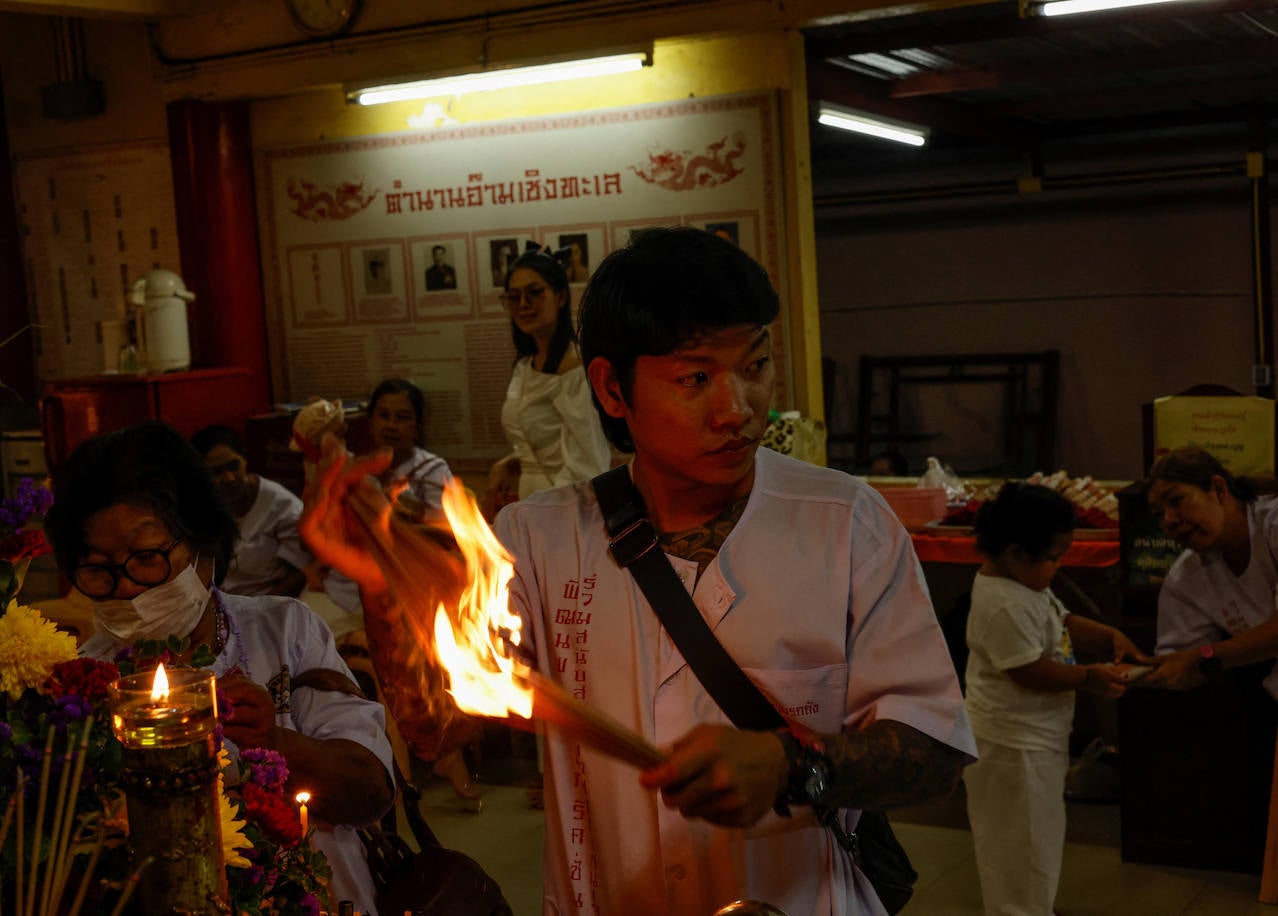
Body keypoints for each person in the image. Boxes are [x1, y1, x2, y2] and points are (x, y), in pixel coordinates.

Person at [332, 227, 977, 914]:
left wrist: (798, 766)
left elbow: (935, 750)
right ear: (612, 389)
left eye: (755, 365)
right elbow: (439, 729)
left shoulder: (846, 523)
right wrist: (380, 565)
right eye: (697, 378)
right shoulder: (539, 537)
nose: (739, 408)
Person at [44, 421, 394, 912]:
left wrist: (274, 742)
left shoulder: (283, 630)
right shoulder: (85, 680)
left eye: (146, 558)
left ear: (205, 543)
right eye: (98, 568)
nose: (125, 588)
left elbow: (370, 794)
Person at [961, 481, 1142, 916]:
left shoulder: (1026, 585)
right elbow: (1027, 670)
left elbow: (1061, 621)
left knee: (1037, 838)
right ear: (1016, 552)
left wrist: (1109, 636)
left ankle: (1032, 905)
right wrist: (1088, 678)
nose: (1057, 568)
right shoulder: (1001, 602)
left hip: (1036, 738)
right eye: (1054, 557)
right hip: (1011, 745)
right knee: (1016, 844)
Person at [1140, 447, 1278, 697]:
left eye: (1176, 500)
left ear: (1218, 489)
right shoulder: (1185, 576)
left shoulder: (1273, 524)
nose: (1170, 520)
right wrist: (1132, 673)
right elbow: (1182, 664)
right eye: (1159, 515)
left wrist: (1204, 656)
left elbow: (1198, 658)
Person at [486, 246, 611, 510]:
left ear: (561, 297)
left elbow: (589, 465)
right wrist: (509, 462)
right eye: (513, 296)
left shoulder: (575, 370)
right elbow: (545, 442)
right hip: (532, 503)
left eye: (534, 292)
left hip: (566, 508)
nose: (523, 304)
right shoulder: (525, 364)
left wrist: (544, 516)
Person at [190, 424, 310, 598]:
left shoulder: (282, 506)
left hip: (267, 605)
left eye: (233, 466)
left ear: (245, 459)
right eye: (216, 472)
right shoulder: (203, 505)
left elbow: (301, 571)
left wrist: (259, 609)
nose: (229, 478)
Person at [365, 378, 453, 523]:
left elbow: (443, 527)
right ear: (370, 422)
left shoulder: (432, 469)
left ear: (417, 427)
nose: (391, 425)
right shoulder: (360, 469)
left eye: (402, 418)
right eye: (383, 416)